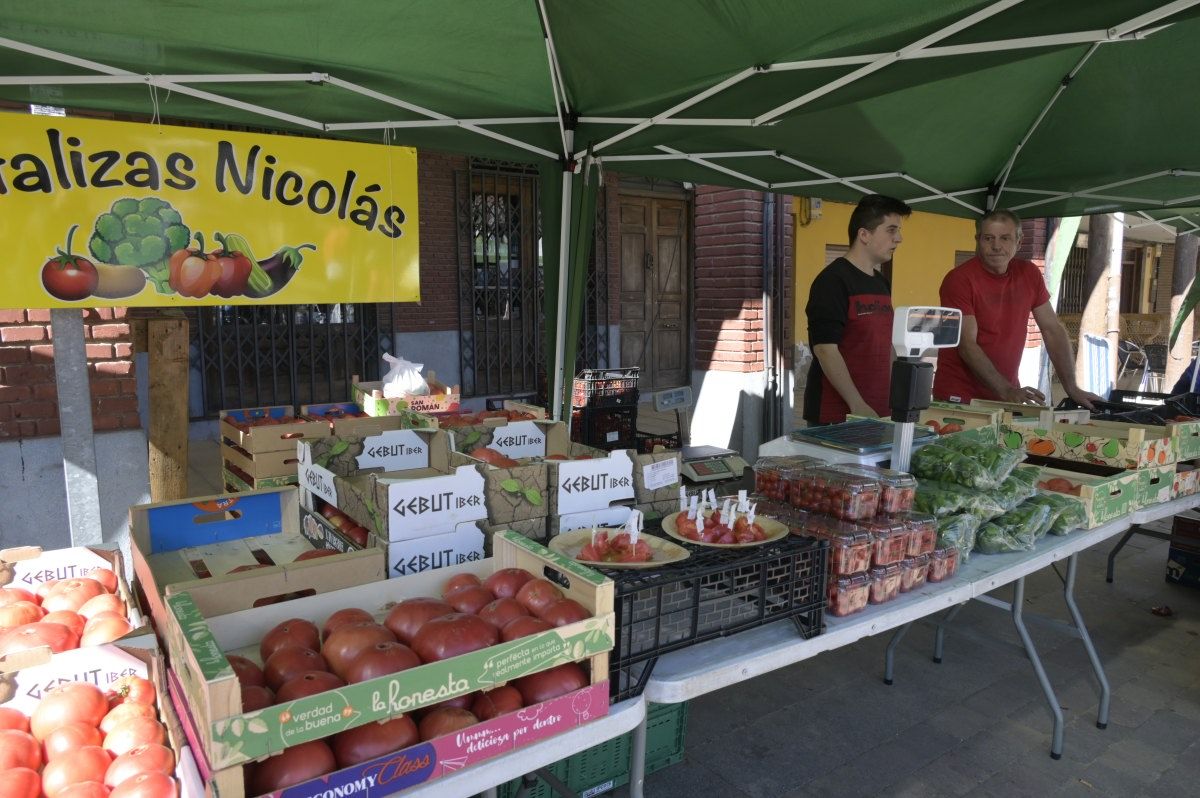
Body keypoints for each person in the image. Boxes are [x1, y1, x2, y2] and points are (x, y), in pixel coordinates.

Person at [933, 209, 1101, 410]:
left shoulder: (1029, 273)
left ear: (1019, 242)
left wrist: (1072, 388)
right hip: (960, 395)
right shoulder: (959, 280)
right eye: (988, 238)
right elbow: (967, 345)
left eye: (1005, 238)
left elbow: (1052, 329)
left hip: (1006, 394)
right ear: (978, 240)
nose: (996, 246)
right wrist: (1006, 390)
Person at [804, 194, 911, 425]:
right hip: (836, 416)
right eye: (891, 230)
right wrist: (857, 404)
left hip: (879, 410)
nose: (899, 239)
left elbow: (886, 343)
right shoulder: (833, 280)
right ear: (864, 234)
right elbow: (824, 349)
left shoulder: (880, 282)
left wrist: (897, 395)